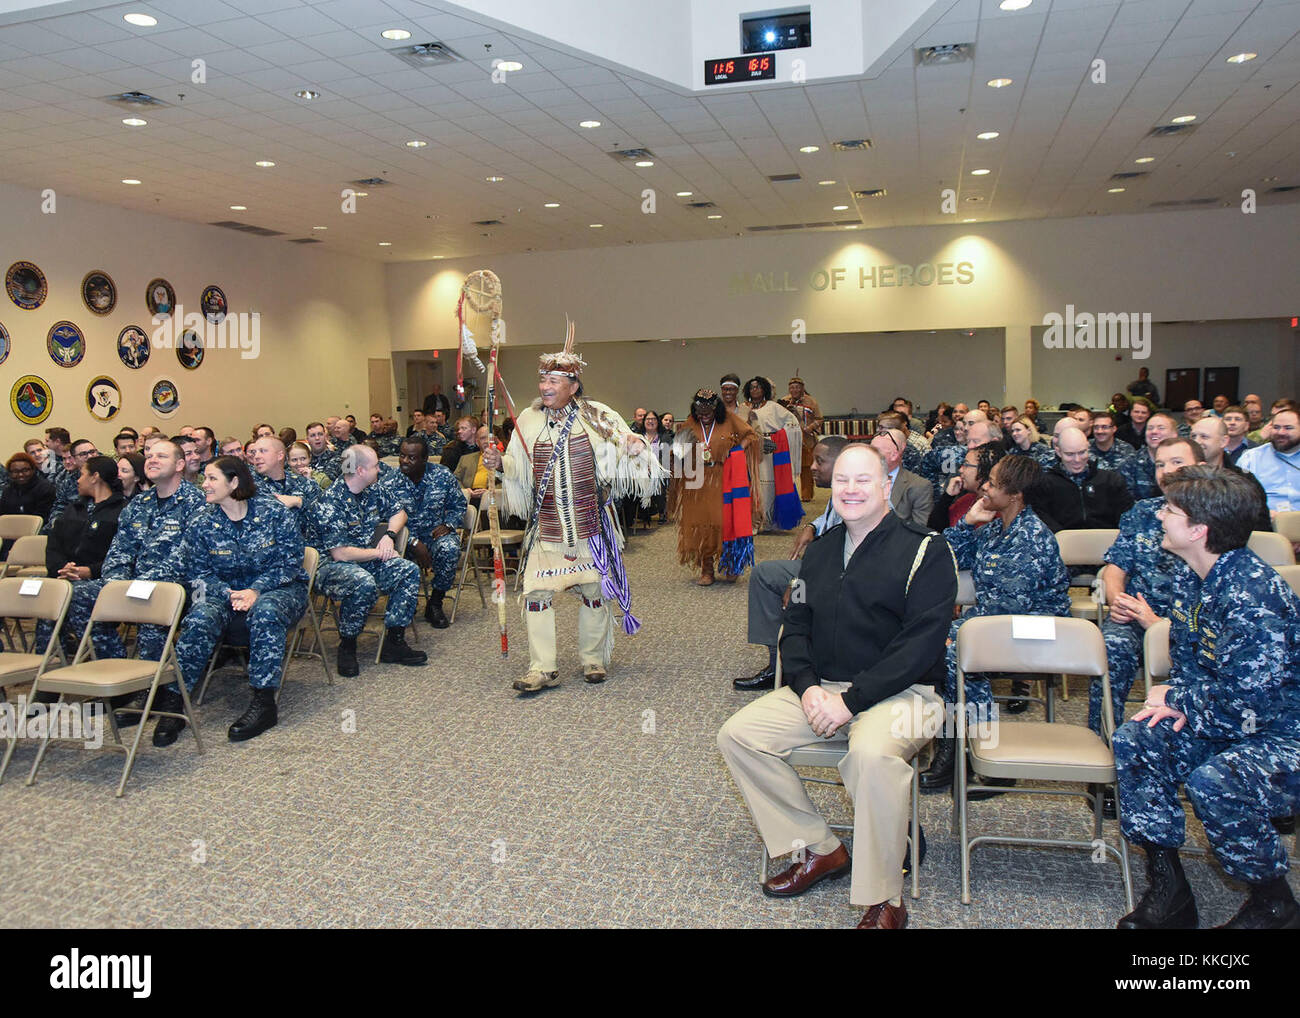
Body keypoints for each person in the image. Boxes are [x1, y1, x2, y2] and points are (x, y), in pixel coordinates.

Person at [718, 443, 958, 930]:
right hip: (824, 691)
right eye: (842, 480)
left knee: (871, 757)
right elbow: (796, 625)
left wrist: (851, 701)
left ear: (886, 484)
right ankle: (822, 849)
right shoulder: (821, 552)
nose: (850, 489)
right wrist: (807, 689)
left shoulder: (926, 551)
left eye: (862, 480)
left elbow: (920, 646)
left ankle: (884, 896)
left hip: (906, 695)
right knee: (740, 736)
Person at [1114, 466, 1300, 930]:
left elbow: (1251, 704)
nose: (1160, 516)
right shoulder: (1194, 577)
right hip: (1225, 717)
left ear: (1199, 530)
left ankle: (1274, 903)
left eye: (1170, 511)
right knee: (1138, 739)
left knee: (1217, 780)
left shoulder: (1253, 595)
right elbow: (1195, 668)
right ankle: (1170, 890)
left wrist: (1178, 696)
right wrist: (1179, 700)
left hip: (1280, 734)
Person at [488, 345, 664, 693]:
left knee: (595, 592)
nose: (545, 387)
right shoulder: (528, 418)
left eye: (553, 380)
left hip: (589, 524)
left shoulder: (596, 415)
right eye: (542, 380)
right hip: (547, 524)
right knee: (536, 592)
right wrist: (499, 464)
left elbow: (624, 446)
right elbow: (516, 467)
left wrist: (633, 448)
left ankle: (593, 659)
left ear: (573, 384)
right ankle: (542, 668)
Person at [921, 455, 1071, 792]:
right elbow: (945, 557)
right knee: (933, 641)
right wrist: (967, 522)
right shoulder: (995, 528)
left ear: (1015, 495)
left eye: (993, 483)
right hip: (998, 624)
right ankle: (958, 745)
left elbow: (1008, 609)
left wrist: (954, 633)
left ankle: (980, 753)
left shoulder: (1029, 538)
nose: (984, 486)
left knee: (953, 651)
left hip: (1040, 631)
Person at [152, 457, 308, 745]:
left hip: (280, 589)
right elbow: (197, 573)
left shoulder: (273, 513)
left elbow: (291, 563)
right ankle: (175, 702)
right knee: (199, 618)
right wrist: (227, 593)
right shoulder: (202, 522)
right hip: (222, 592)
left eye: (212, 479)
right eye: (204, 479)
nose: (204, 485)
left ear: (234, 482)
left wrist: (256, 590)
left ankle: (264, 702)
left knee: (266, 611)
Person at [734, 436, 847, 691]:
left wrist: (798, 582)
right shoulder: (839, 491)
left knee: (783, 581)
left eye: (820, 461)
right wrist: (811, 525)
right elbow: (827, 522)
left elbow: (836, 557)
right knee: (764, 573)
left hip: (838, 576)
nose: (813, 467)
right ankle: (777, 665)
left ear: (841, 463)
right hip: (822, 566)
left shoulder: (854, 499)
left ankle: (794, 665)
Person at [313, 445, 426, 677]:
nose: (379, 470)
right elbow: (340, 554)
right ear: (361, 470)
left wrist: (389, 535)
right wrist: (380, 553)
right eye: (375, 466)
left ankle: (394, 641)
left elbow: (400, 512)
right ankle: (348, 644)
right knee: (362, 582)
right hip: (331, 567)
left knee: (407, 570)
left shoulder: (372, 490)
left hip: (364, 557)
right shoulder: (331, 501)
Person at [33, 456, 127, 655]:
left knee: (77, 592)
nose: (78, 480)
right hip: (64, 574)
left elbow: (122, 555)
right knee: (37, 588)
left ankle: (107, 658)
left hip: (100, 579)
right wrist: (62, 568)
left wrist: (89, 571)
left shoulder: (122, 511)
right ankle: (50, 661)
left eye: (82, 474)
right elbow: (54, 544)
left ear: (95, 477)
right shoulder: (73, 508)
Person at [672, 388, 761, 585]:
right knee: (702, 525)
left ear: (716, 410)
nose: (704, 417)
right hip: (697, 482)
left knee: (724, 521)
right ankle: (707, 569)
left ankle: (730, 565)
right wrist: (679, 454)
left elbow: (750, 435)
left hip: (723, 478)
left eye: (708, 413)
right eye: (700, 413)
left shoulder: (729, 419)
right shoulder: (689, 423)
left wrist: (738, 450)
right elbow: (678, 450)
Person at [388, 436, 466, 628]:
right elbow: (385, 520)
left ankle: (435, 603)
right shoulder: (389, 482)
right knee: (389, 554)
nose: (405, 461)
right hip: (404, 539)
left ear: (424, 459)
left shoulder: (443, 475)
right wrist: (413, 542)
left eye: (412, 457)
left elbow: (459, 505)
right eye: (402, 455)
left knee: (449, 548)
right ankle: (406, 600)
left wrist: (448, 524)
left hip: (434, 535)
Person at [1037, 427, 1133, 530]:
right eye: (1070, 454)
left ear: (1088, 448)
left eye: (1082, 452)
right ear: (1058, 452)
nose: (1077, 459)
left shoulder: (1111, 480)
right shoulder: (1045, 484)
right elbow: (1042, 517)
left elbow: (1127, 516)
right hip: (1064, 542)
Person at [742, 376, 804, 532]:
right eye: (752, 387)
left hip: (771, 451)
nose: (755, 390)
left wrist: (778, 438)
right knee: (750, 484)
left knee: (768, 486)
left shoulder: (773, 407)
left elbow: (792, 423)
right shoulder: (742, 408)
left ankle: (768, 521)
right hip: (749, 451)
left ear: (765, 390)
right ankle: (753, 521)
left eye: (758, 387)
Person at [248, 436, 320, 536]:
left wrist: (299, 502)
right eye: (254, 452)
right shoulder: (249, 489)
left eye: (263, 451)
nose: (256, 456)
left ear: (280, 455)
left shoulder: (306, 484)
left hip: (308, 546)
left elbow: (324, 517)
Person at [927, 441, 1006, 531]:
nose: (960, 470)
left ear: (983, 469)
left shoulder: (995, 512)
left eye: (966, 465)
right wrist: (947, 497)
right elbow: (934, 530)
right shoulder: (968, 499)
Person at [1237, 407, 1300, 512]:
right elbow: (1238, 498)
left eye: (1288, 428)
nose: (1281, 432)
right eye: (1276, 427)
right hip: (1264, 522)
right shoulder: (1251, 458)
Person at [870, 427, 933, 527]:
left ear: (894, 455)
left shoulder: (919, 486)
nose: (868, 456)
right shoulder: (859, 481)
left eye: (875, 452)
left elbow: (918, 530)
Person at [1120, 411, 1177, 500]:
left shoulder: (1184, 462)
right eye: (1150, 428)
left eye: (1161, 428)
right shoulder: (1130, 463)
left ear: (1174, 434)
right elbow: (1125, 501)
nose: (1154, 432)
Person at [1, 453, 57, 544]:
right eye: (15, 471)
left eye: (25, 470)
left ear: (33, 470)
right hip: (9, 537)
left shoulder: (45, 488)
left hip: (36, 537)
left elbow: (43, 518)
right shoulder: (7, 491)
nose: (20, 475)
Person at [784, 377, 822, 501]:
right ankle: (788, 494)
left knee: (806, 468)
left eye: (797, 387)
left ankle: (806, 496)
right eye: (792, 387)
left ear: (802, 388)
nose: (794, 390)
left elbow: (819, 419)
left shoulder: (811, 402)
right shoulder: (784, 401)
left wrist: (810, 427)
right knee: (788, 468)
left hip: (806, 440)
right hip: (789, 440)